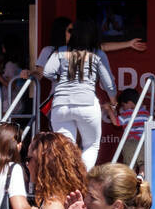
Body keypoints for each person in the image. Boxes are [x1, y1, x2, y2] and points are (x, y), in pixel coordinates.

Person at [42, 17, 118, 170]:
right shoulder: (97, 54)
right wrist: (114, 103)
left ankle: (67, 181)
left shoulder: (62, 51)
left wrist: (59, 77)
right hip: (87, 105)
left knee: (65, 149)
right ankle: (80, 180)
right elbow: (108, 84)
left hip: (61, 105)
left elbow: (47, 72)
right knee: (91, 146)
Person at [113, 88, 150, 170]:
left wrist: (109, 111)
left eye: (123, 105)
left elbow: (116, 122)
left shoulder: (127, 113)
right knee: (143, 163)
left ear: (129, 103)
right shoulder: (146, 114)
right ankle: (141, 177)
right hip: (142, 143)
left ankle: (131, 180)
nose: (123, 108)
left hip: (130, 142)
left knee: (129, 166)